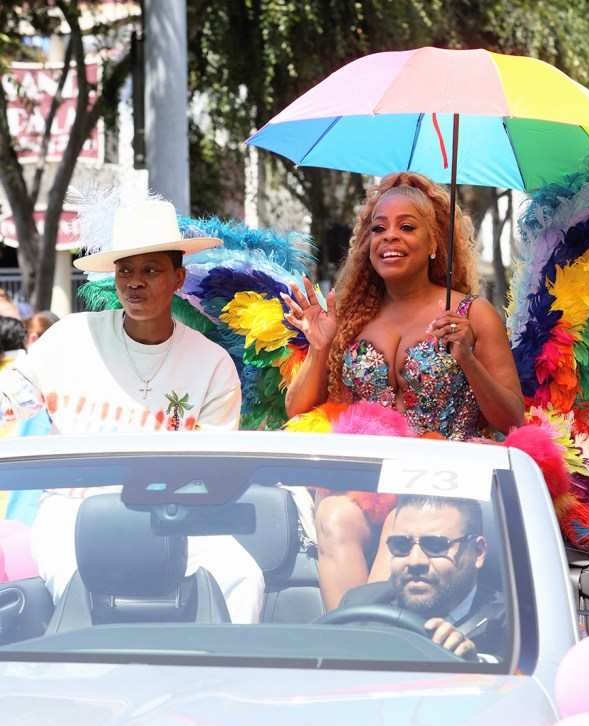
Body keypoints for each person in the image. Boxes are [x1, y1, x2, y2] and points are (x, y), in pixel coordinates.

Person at [0, 197, 264, 623]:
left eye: (150, 270)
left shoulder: (212, 363)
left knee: (242, 576)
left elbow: (211, 474)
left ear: (178, 277)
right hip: (73, 513)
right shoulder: (68, 339)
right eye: (125, 270)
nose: (134, 282)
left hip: (176, 519)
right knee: (77, 583)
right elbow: (9, 401)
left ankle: (223, 683)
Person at [282, 172, 525, 609]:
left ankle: (381, 644)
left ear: (435, 243)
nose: (389, 236)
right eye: (378, 227)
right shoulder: (352, 317)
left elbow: (512, 419)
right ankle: (350, 645)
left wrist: (467, 356)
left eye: (407, 226)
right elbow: (298, 411)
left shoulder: (474, 314)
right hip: (364, 481)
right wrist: (320, 349)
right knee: (333, 516)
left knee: (402, 519)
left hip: (444, 484)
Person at [338, 495, 507, 661]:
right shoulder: (358, 609)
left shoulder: (516, 631)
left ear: (478, 552)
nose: (414, 561)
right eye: (401, 545)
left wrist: (477, 667)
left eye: (436, 545)